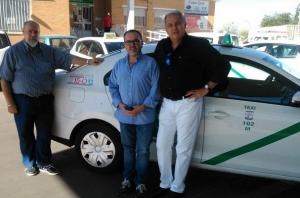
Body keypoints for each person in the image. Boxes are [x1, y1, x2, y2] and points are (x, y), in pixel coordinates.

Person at [0, 20, 101, 177]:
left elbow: (68, 58)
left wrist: (88, 61)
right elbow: (4, 79)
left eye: (36, 32)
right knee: (25, 134)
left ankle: (44, 162)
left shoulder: (48, 51)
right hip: (22, 101)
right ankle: (29, 164)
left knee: (44, 134)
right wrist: (10, 103)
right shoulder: (13, 52)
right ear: (23, 32)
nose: (33, 35)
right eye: (30, 32)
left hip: (45, 100)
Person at [153, 11, 226, 198]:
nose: (174, 28)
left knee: (183, 148)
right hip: (167, 104)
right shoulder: (162, 46)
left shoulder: (199, 45)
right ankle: (165, 182)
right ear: (165, 28)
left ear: (185, 24)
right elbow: (153, 67)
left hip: (189, 103)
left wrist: (206, 89)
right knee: (162, 145)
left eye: (178, 23)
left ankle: (177, 187)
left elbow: (223, 66)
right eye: (170, 25)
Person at [109, 29, 160, 198]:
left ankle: (140, 182)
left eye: (135, 41)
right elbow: (113, 87)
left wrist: (143, 107)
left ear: (141, 42)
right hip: (124, 116)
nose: (132, 44)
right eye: (128, 42)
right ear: (124, 45)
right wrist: (119, 105)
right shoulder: (119, 65)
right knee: (128, 149)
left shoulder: (151, 64)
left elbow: (156, 90)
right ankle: (127, 179)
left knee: (143, 150)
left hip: (144, 117)